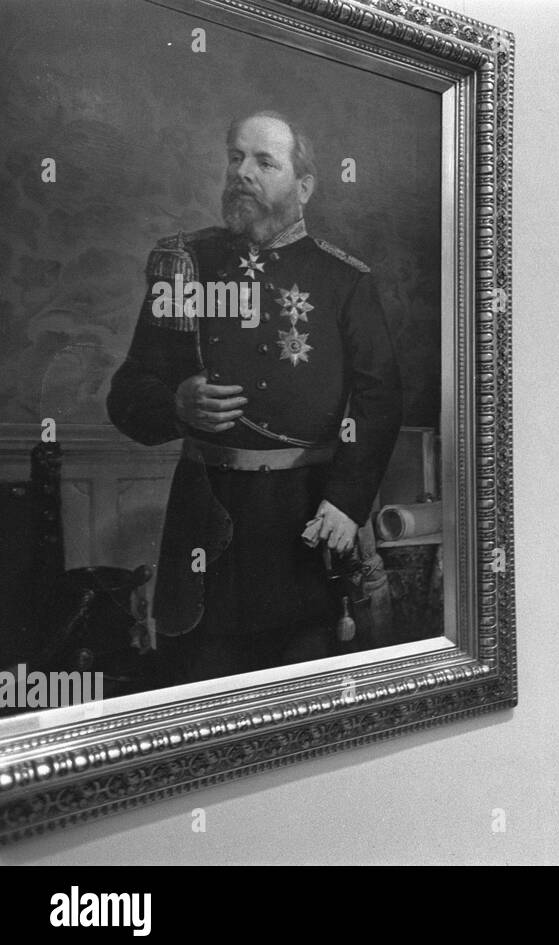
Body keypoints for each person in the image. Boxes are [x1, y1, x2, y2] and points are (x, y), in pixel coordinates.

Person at [107, 110, 403, 681]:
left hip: (308, 516)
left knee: (305, 689)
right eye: (235, 158)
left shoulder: (344, 281)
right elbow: (128, 391)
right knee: (198, 687)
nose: (242, 172)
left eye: (265, 162)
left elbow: (380, 398)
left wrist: (347, 499)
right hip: (206, 518)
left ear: (304, 187)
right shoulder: (186, 266)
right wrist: (174, 403)